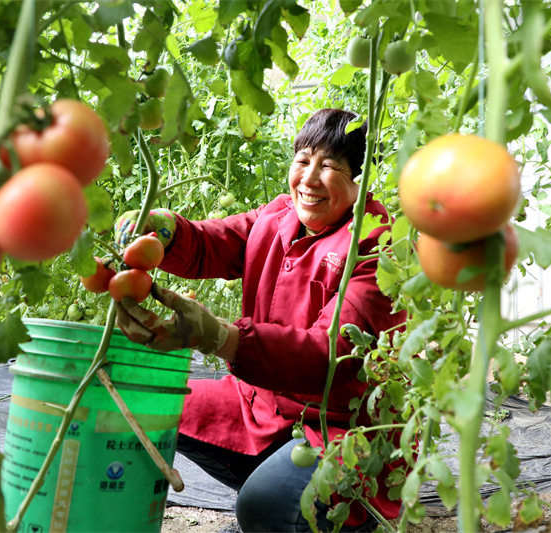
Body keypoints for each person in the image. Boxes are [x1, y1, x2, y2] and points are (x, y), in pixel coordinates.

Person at [114, 108, 406, 532]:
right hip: (260, 408)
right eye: (303, 160)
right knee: (144, 403)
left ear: (360, 178)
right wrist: (167, 230)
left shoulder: (378, 245)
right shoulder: (278, 216)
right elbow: (213, 242)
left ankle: (336, 517)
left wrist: (221, 337)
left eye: (329, 167)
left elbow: (334, 355)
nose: (308, 179)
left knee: (262, 506)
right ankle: (277, 486)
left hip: (339, 427)